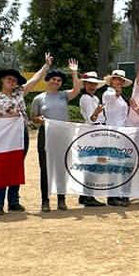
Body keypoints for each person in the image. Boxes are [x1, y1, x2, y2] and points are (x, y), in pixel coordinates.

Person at [0, 56, 52, 215]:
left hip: (21, 134)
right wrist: (8, 117)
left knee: (16, 167)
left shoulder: (19, 93)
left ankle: (14, 201)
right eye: (9, 79)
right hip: (2, 137)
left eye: (14, 80)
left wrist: (46, 66)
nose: (12, 82)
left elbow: (34, 80)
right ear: (2, 80)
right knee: (2, 169)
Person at [30, 60, 83, 211]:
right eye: (53, 79)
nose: (56, 82)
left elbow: (77, 89)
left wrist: (74, 72)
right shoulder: (38, 98)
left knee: (61, 167)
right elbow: (33, 117)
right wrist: (38, 120)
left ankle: (61, 199)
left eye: (59, 80)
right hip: (45, 136)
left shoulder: (64, 95)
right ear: (48, 80)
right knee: (45, 168)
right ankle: (45, 200)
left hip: (63, 136)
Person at [102, 69, 133, 206]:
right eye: (116, 79)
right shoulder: (108, 93)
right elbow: (110, 99)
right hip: (113, 132)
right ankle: (112, 196)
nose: (118, 81)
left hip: (122, 133)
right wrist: (117, 92)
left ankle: (119, 193)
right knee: (113, 164)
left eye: (120, 80)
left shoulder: (121, 97)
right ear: (112, 80)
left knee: (121, 164)